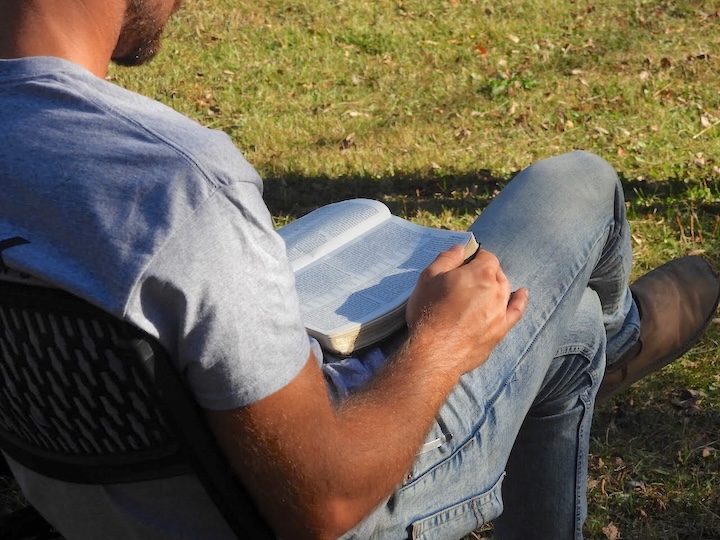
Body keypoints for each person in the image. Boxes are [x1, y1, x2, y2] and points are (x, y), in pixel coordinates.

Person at [0, 1, 718, 539]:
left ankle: (602, 338)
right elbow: (325, 503)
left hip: (83, 498)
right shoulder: (174, 182)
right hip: (314, 501)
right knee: (577, 186)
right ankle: (628, 337)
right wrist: (440, 344)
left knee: (568, 333)